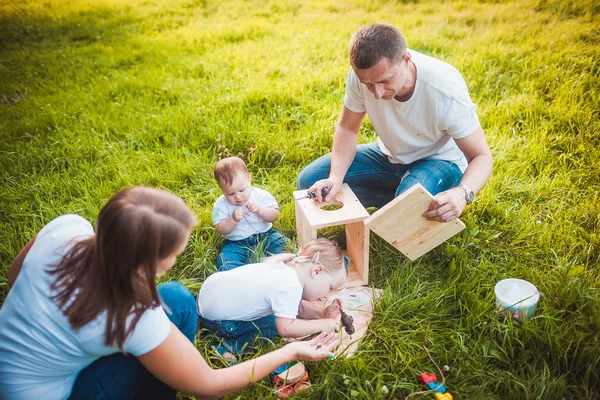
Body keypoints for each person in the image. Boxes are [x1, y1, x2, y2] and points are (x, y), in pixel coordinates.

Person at [0, 186, 339, 400]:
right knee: (172, 318)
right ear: (148, 262)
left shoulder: (67, 229)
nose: (176, 259)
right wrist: (290, 350)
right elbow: (209, 386)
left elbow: (16, 278)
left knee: (177, 299)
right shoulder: (132, 312)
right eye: (174, 253)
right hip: (52, 393)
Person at [297, 23, 493, 223]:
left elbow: (482, 156)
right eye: (368, 84)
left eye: (385, 81)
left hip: (439, 161)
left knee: (404, 216)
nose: (377, 93)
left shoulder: (444, 89)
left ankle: (405, 201)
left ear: (406, 60)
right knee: (309, 182)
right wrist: (335, 178)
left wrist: (463, 194)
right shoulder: (363, 76)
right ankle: (398, 200)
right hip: (388, 156)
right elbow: (348, 128)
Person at [197, 238, 346, 360]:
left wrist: (322, 314)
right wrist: (322, 325)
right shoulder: (290, 286)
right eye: (330, 287)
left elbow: (295, 307)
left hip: (207, 295)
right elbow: (286, 328)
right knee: (273, 324)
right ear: (317, 271)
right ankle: (229, 347)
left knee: (280, 315)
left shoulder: (286, 266)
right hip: (221, 322)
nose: (327, 295)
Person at [213, 156, 289, 271]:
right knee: (227, 262)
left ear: (249, 178)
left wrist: (260, 210)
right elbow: (221, 228)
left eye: (242, 190)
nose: (238, 197)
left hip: (265, 234)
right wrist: (232, 220)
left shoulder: (260, 195)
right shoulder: (221, 205)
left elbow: (274, 216)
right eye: (230, 194)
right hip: (236, 242)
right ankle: (237, 277)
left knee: (282, 248)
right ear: (221, 188)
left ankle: (280, 269)